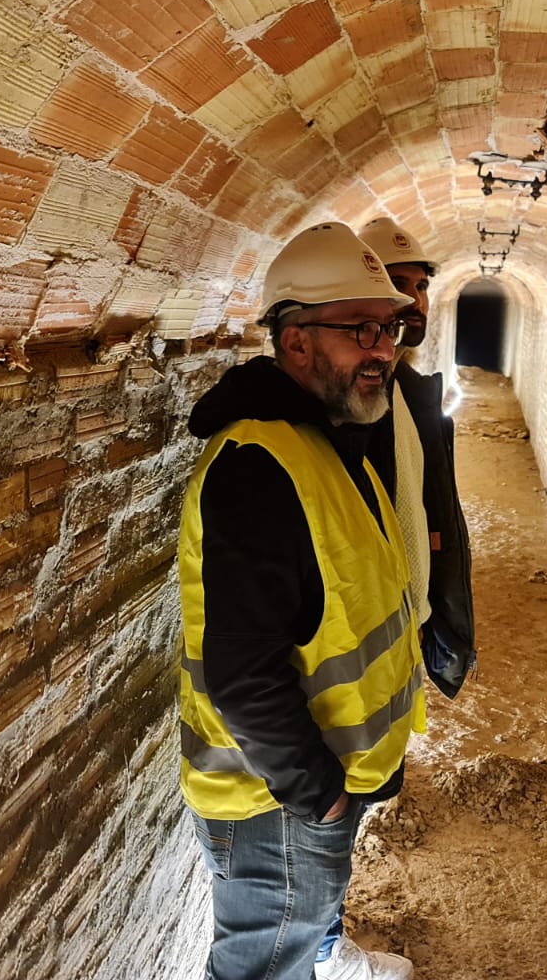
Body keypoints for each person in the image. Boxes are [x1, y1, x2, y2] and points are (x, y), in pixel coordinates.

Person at [177, 221, 422, 980]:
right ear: (295, 344)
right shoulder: (259, 465)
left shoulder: (319, 437)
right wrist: (320, 802)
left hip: (299, 794)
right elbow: (244, 674)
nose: (383, 348)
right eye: (359, 329)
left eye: (389, 327)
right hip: (273, 805)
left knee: (289, 956)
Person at [357, 216, 475, 701]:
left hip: (409, 624)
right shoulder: (354, 401)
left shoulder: (408, 390)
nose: (416, 300)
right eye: (397, 284)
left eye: (422, 286)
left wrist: (426, 613)